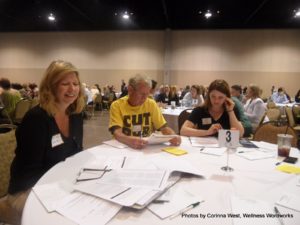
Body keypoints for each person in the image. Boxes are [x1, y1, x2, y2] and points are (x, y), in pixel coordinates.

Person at [0, 60, 85, 225]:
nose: (72, 89)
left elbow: (77, 153)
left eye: (75, 83)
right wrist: (64, 186)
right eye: (65, 83)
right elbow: (29, 173)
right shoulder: (37, 119)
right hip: (27, 190)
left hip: (61, 183)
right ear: (51, 87)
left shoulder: (75, 115)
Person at [109, 74, 181, 149]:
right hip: (123, 147)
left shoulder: (151, 103)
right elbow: (117, 133)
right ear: (130, 90)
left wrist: (173, 136)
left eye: (147, 94)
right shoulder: (117, 105)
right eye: (142, 94)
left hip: (145, 147)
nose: (144, 98)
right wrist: (129, 140)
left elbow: (163, 128)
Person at [180, 79, 244, 137]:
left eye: (220, 97)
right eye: (213, 96)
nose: (216, 101)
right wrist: (207, 132)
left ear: (227, 97)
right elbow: (183, 131)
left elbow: (240, 134)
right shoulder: (200, 110)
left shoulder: (232, 110)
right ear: (208, 95)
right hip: (203, 147)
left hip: (224, 148)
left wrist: (230, 111)